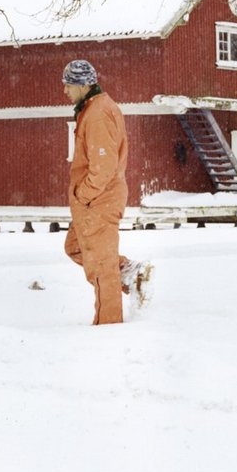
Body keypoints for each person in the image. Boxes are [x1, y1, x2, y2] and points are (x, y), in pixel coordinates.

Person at [61, 59, 152, 324]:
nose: (65, 90)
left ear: (83, 84)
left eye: (68, 84)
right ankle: (130, 273)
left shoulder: (99, 113)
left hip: (99, 200)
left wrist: (85, 195)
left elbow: (104, 164)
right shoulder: (92, 109)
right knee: (75, 246)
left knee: (101, 268)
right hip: (94, 200)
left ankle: (108, 328)